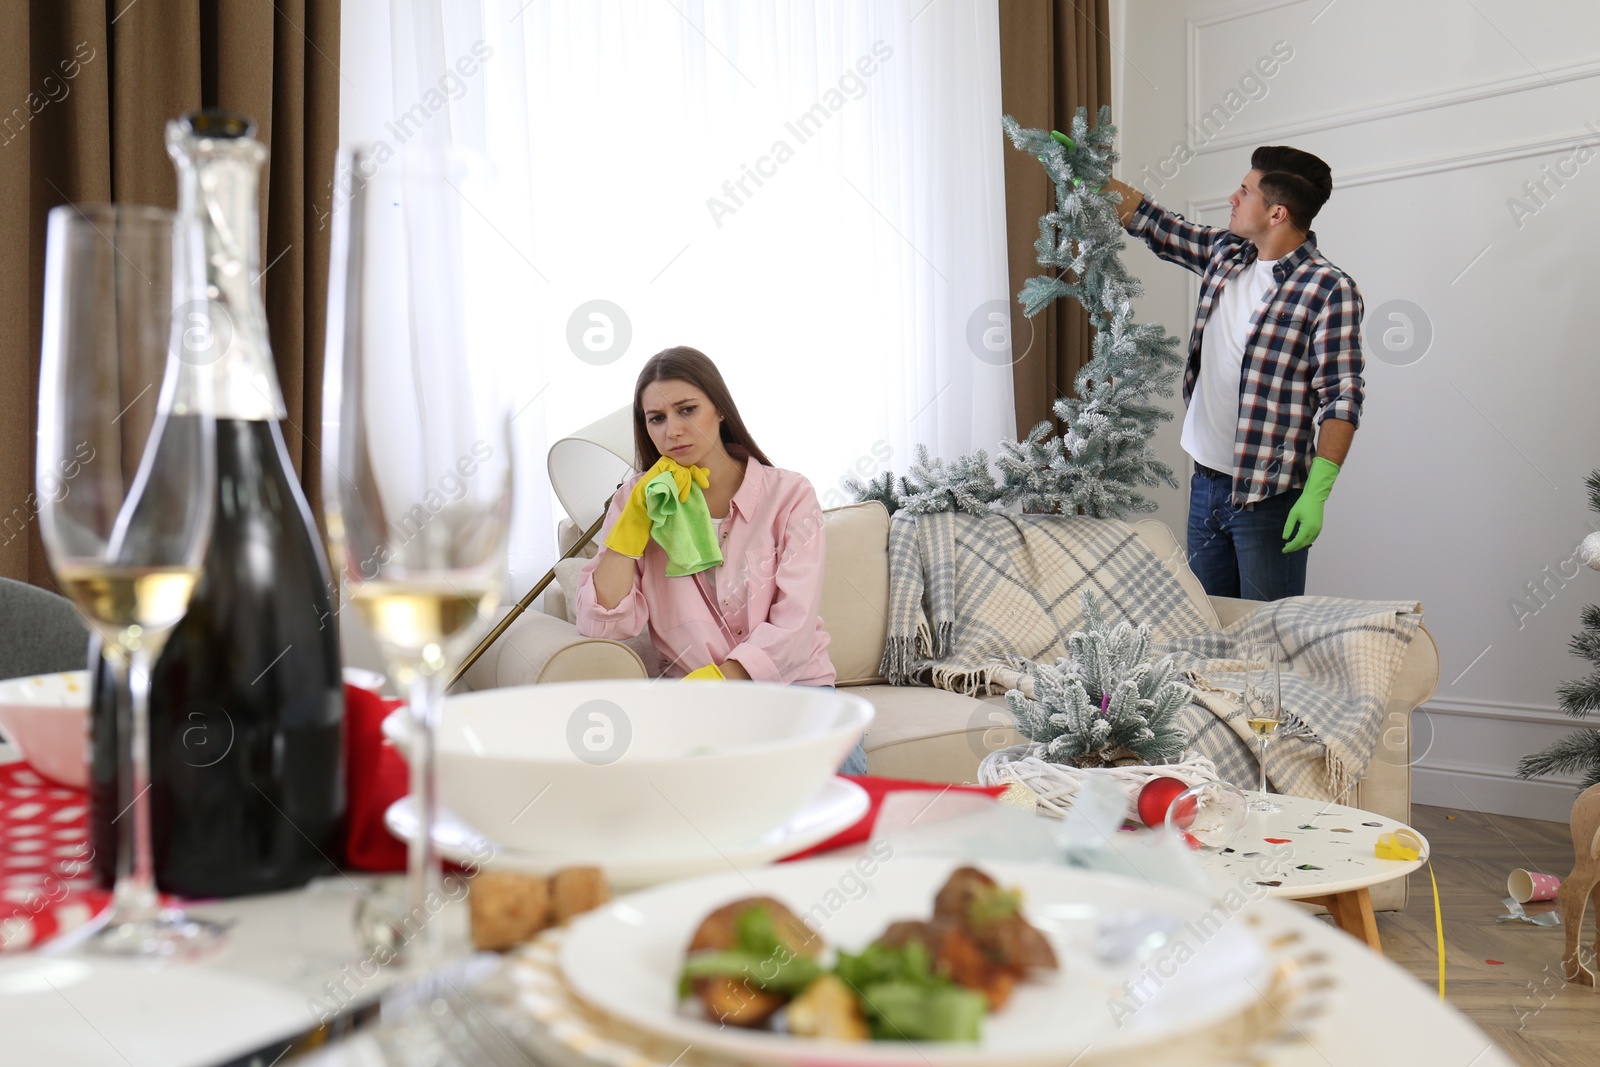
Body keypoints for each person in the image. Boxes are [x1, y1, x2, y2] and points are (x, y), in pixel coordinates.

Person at [574, 345, 867, 774]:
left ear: (720, 410)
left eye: (687, 410)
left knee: (835, 798)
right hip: (693, 701)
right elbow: (602, 622)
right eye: (656, 418)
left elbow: (794, 623)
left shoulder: (789, 495)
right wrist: (630, 526)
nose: (672, 430)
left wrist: (716, 682)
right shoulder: (636, 500)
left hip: (793, 688)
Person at [1104, 146, 1364, 601]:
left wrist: (1317, 492)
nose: (1232, 197)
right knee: (1209, 629)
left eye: (1245, 191)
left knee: (1266, 642)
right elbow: (1153, 221)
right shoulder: (1227, 255)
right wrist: (1088, 173)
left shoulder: (1328, 289)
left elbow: (1341, 396)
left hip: (1269, 499)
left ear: (1277, 213)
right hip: (1205, 484)